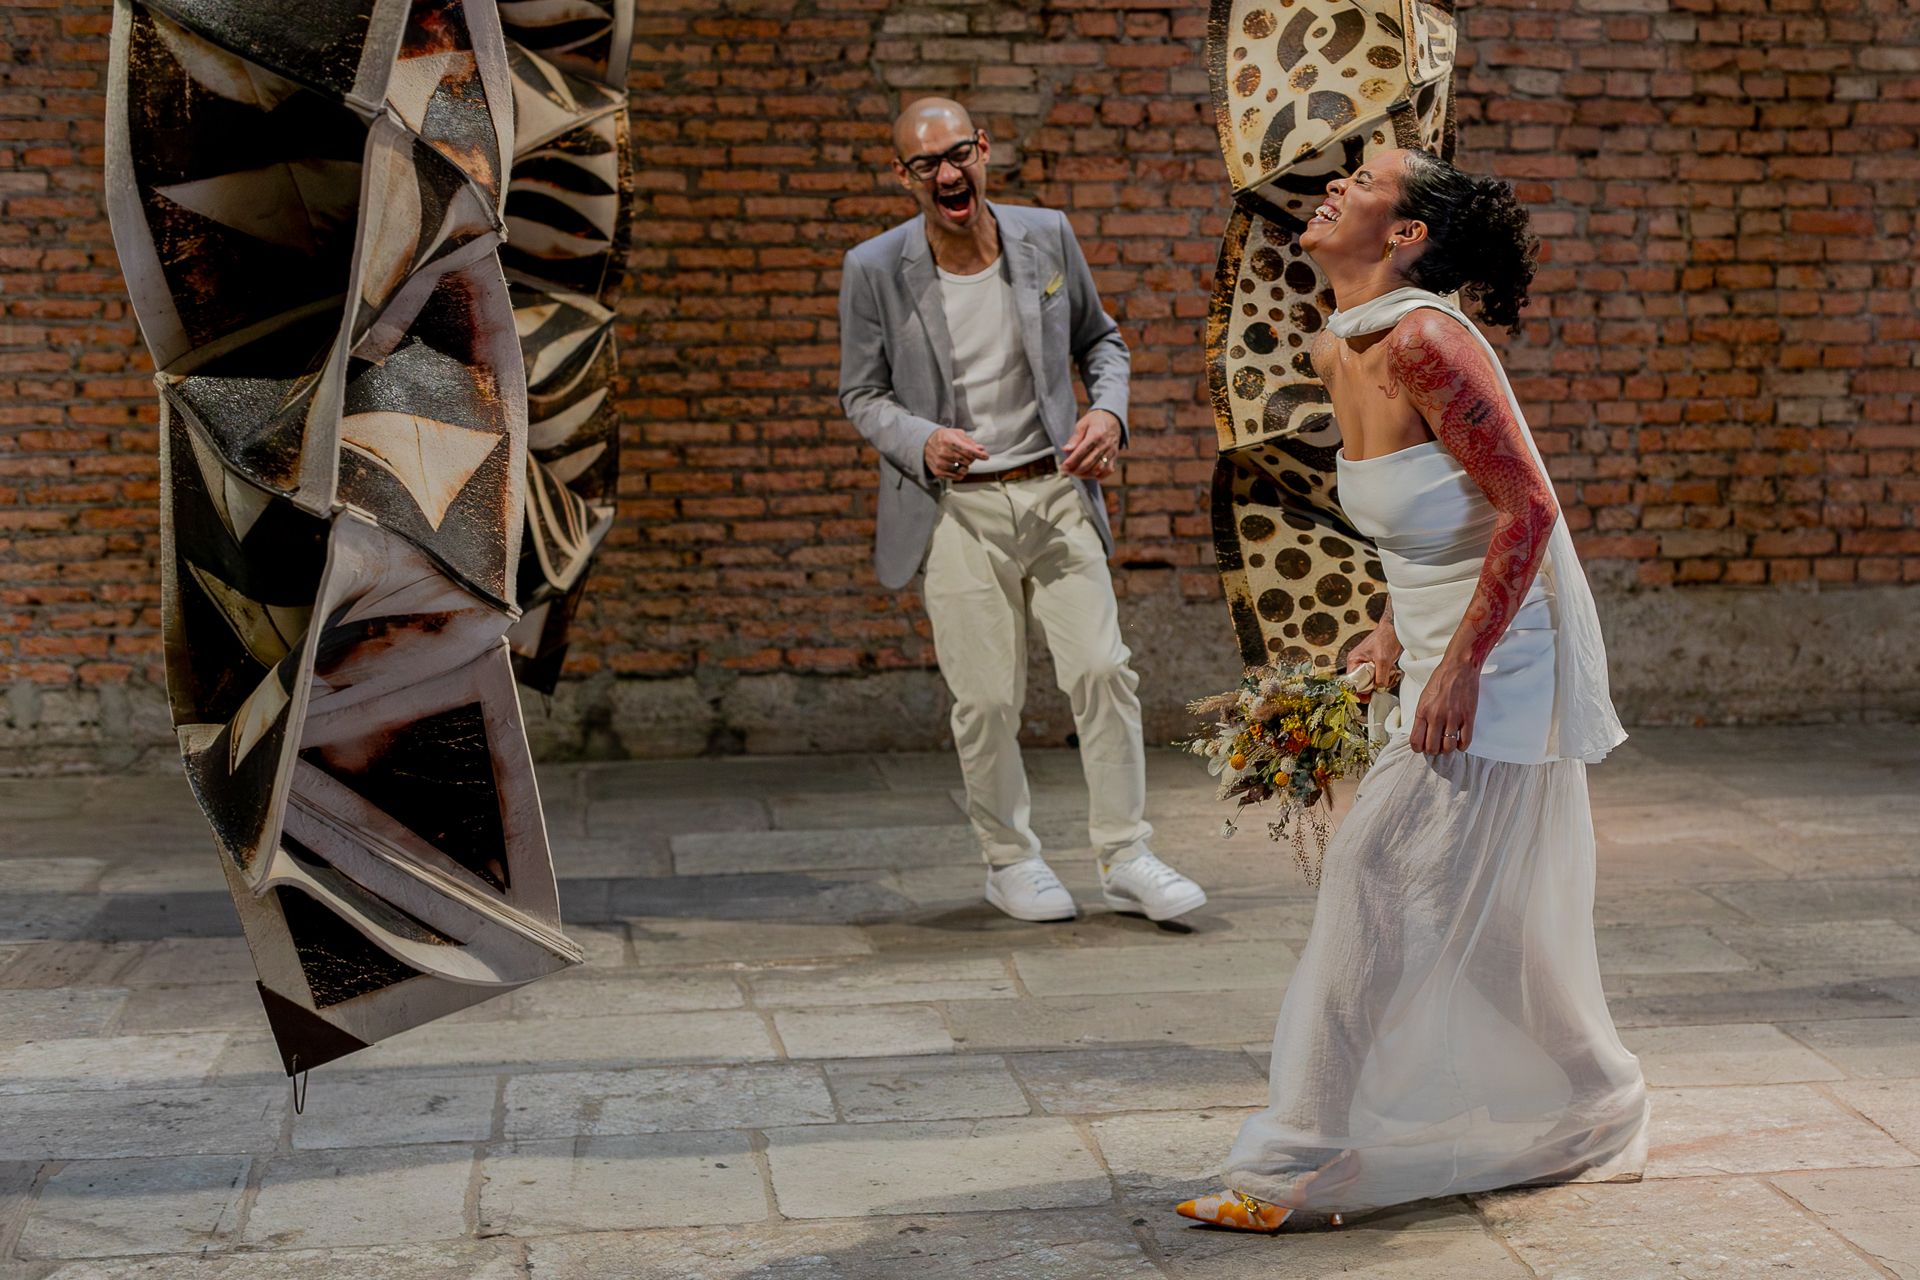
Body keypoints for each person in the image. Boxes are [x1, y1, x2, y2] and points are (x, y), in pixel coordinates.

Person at [1176, 149, 1648, 1231]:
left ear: (1405, 235)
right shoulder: (1340, 342)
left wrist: (1460, 667)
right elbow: (1429, 515)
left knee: (1370, 872)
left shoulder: (1426, 341)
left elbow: (1526, 510)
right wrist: (1391, 633)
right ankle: (1601, 1095)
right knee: (1467, 916)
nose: (1334, 186)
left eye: (1363, 180)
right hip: (1442, 648)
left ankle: (1293, 1160)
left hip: (1503, 659)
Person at [836, 98, 1208, 924]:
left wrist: (1107, 414)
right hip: (957, 509)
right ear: (903, 176)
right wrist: (921, 438)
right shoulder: (875, 268)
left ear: (983, 150)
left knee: (1103, 669)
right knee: (986, 700)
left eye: (958, 153)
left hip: (1055, 490)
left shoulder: (1047, 235)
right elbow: (861, 393)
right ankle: (1010, 862)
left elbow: (1101, 342)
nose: (947, 173)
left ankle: (1127, 856)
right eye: (926, 163)